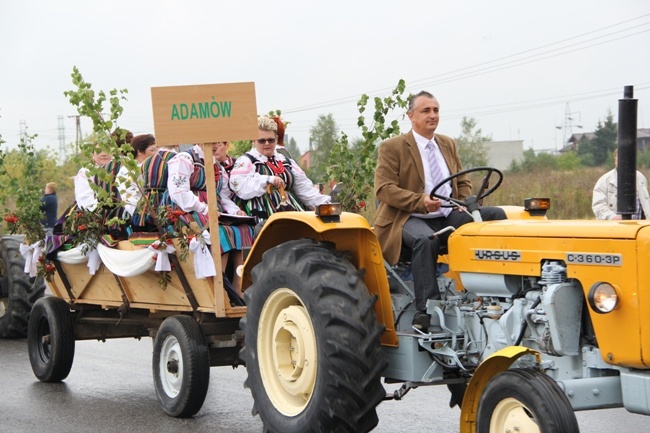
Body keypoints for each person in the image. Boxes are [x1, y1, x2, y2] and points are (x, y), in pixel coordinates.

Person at [374, 91, 507, 331]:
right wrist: (420, 201)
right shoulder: (393, 147)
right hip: (407, 217)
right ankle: (424, 311)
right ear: (411, 116)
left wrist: (463, 201)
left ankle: (498, 291)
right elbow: (384, 189)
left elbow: (462, 181)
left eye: (435, 110)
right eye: (426, 111)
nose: (432, 115)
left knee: (495, 217)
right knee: (426, 239)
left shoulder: (447, 143)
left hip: (445, 213)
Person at [166, 142, 254, 297]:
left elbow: (223, 196)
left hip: (213, 211)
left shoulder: (217, 166)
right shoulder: (185, 158)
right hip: (187, 212)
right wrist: (205, 209)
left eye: (217, 142)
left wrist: (235, 211)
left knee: (245, 229)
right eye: (210, 142)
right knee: (220, 232)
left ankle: (238, 285)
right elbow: (179, 192)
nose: (214, 146)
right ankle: (218, 286)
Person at [230, 116, 330, 220]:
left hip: (290, 211)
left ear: (276, 139)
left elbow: (305, 188)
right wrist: (268, 180)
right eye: (262, 141)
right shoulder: (246, 161)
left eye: (271, 140)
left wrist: (325, 204)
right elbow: (239, 186)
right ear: (254, 141)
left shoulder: (285, 161)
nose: (267, 144)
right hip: (261, 216)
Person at [592, 149, 650, 220]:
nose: (624, 160)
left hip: (638, 228)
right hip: (615, 228)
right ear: (615, 160)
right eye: (621, 157)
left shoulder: (641, 178)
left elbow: (645, 204)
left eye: (628, 157)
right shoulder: (604, 180)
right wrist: (613, 217)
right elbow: (598, 205)